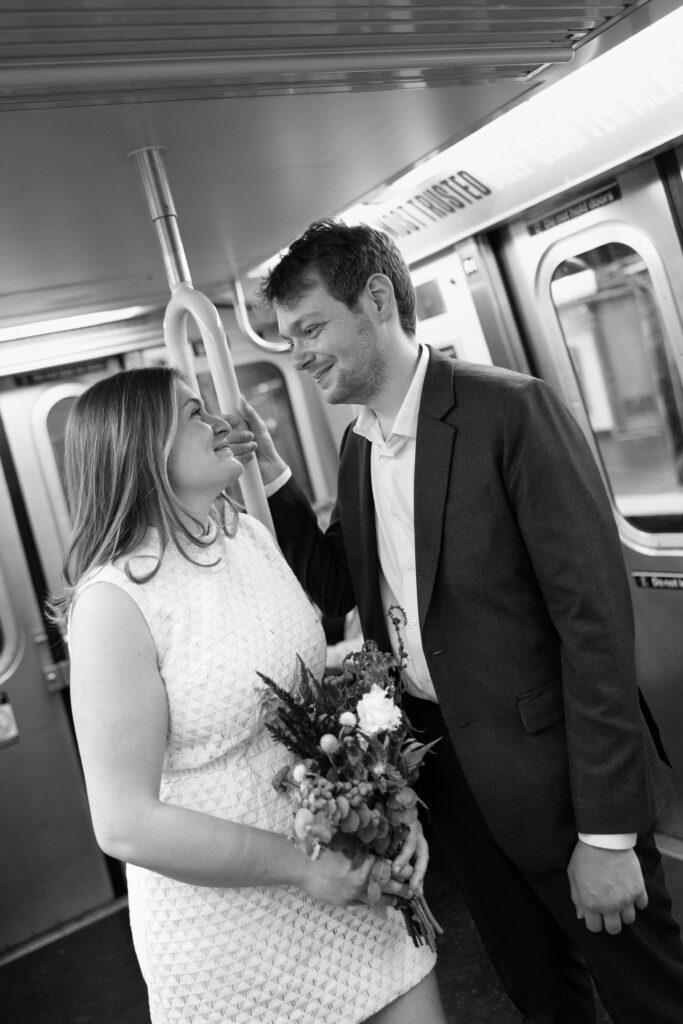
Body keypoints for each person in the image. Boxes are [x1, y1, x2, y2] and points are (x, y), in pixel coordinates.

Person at [229, 218, 683, 1023]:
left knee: (646, 993)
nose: (297, 354)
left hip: (557, 778)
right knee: (538, 993)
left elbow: (594, 624)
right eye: (287, 337)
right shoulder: (360, 448)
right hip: (453, 781)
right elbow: (339, 583)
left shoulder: (509, 412)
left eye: (309, 328)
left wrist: (607, 835)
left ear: (375, 299)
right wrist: (270, 471)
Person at [55, 366, 447, 1024]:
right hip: (231, 928)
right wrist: (300, 868)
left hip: (344, 867)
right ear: (139, 447)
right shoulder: (112, 605)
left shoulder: (248, 538)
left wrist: (391, 811)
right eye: (192, 413)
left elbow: (315, 695)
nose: (218, 423)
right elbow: (124, 822)